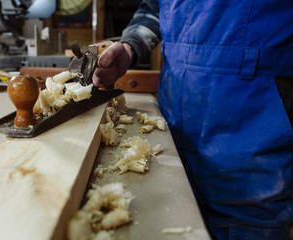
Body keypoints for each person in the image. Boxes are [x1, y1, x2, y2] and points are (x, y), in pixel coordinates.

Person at [93, 0, 293, 239]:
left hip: (253, 125)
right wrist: (129, 46)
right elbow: (154, 8)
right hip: (175, 119)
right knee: (167, 219)